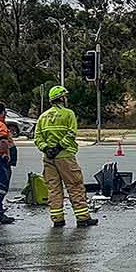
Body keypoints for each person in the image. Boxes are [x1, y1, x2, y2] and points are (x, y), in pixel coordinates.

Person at [35, 85, 98, 227]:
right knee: (75, 186)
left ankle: (57, 219)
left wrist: (47, 149)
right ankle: (82, 218)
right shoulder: (68, 114)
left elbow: (37, 138)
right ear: (62, 98)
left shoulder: (42, 117)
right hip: (65, 157)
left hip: (48, 158)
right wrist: (59, 147)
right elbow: (71, 134)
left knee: (54, 189)